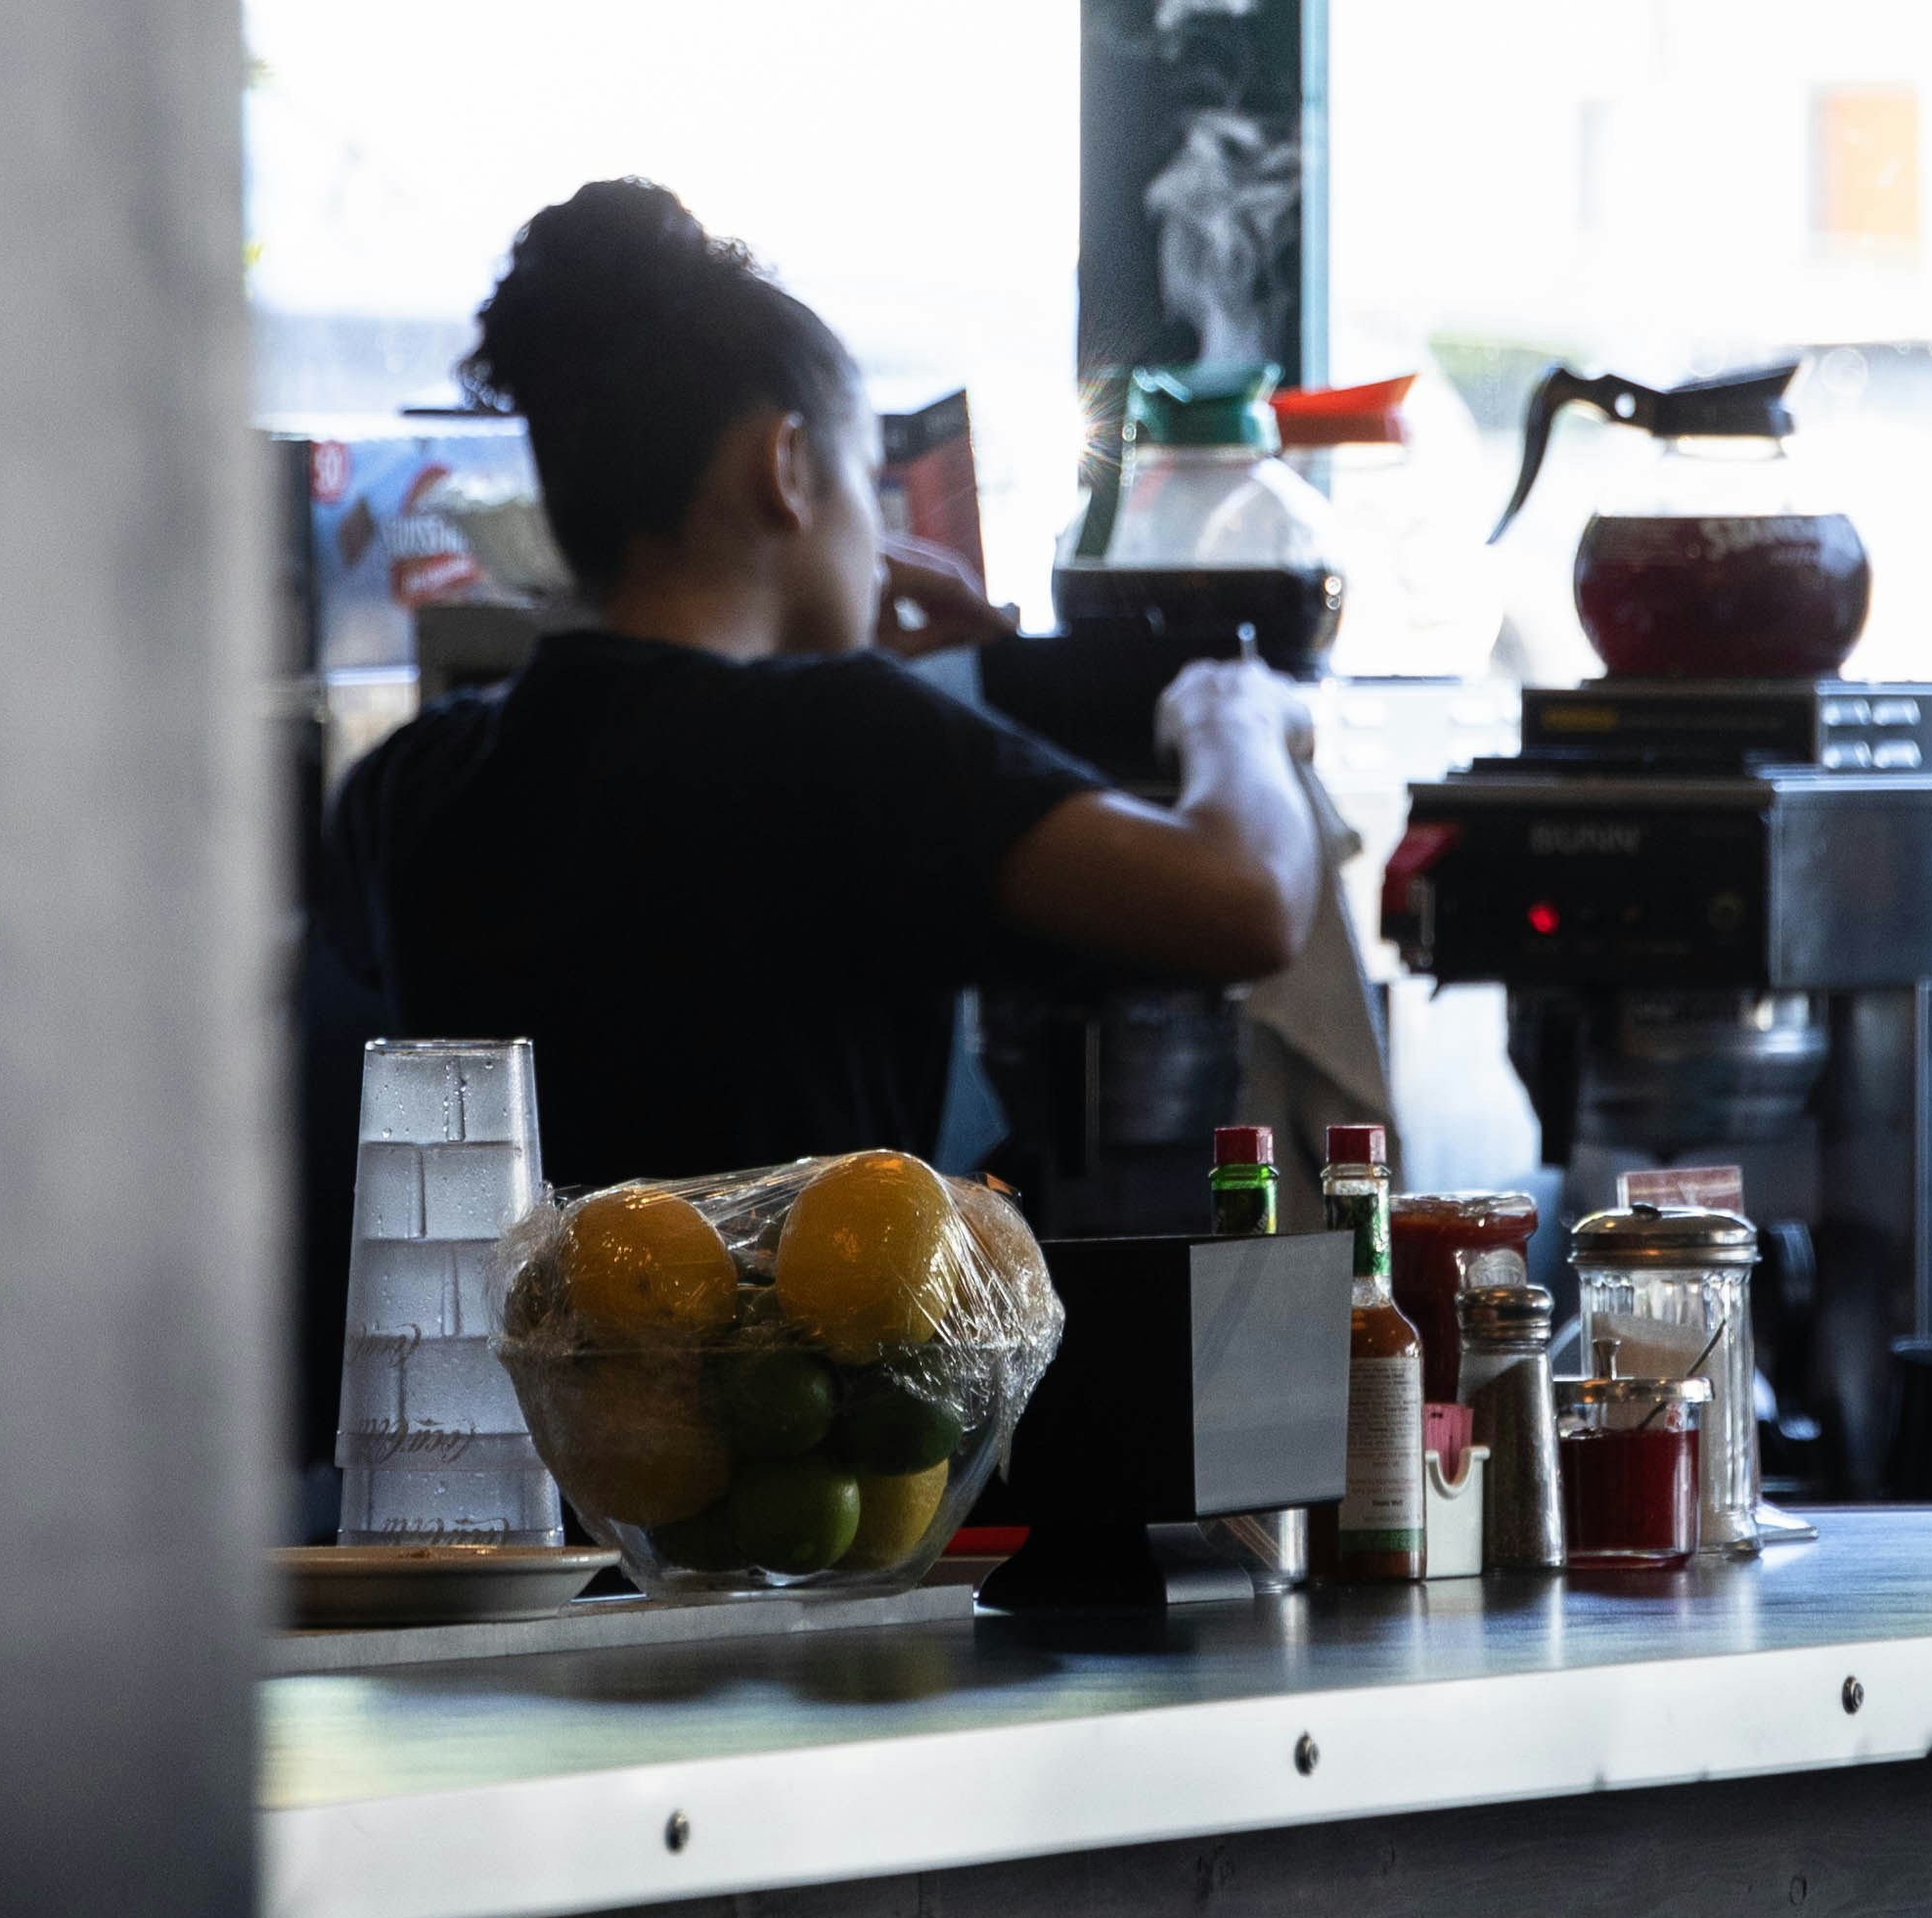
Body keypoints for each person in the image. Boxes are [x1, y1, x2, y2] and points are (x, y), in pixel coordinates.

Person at [307, 180, 1322, 1405]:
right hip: (802, 1472)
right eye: (861, 483)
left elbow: (672, 810)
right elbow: (1245, 899)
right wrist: (1236, 714)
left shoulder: (410, 780)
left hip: (526, 1481)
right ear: (787, 466)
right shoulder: (846, 741)